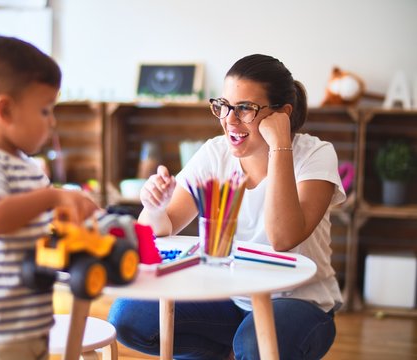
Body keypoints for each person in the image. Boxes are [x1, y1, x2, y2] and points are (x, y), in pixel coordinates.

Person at [108, 54, 345, 359]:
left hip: (300, 301)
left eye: (245, 108)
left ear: (282, 114)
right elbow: (159, 228)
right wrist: (154, 206)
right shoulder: (215, 154)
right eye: (224, 105)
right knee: (128, 316)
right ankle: (216, 351)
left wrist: (280, 146)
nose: (229, 120)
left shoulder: (315, 155)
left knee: (253, 346)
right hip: (229, 297)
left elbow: (283, 238)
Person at [0, 35, 99, 360]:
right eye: (45, 110)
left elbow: (32, 223)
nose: (52, 122)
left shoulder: (23, 166)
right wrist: (53, 197)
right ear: (6, 110)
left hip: (26, 324)